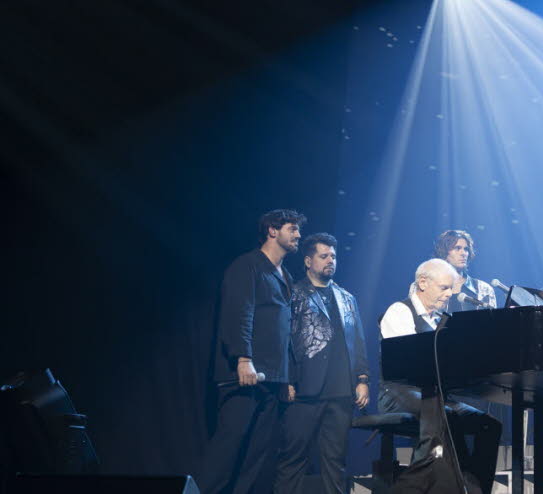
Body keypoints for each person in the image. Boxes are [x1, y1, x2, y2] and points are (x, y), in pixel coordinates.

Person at [199, 209, 305, 494]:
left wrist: (287, 377)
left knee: (255, 455)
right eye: (292, 229)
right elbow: (239, 314)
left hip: (272, 378)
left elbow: (285, 330)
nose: (298, 235)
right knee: (229, 447)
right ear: (272, 230)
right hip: (244, 375)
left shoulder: (285, 275)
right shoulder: (247, 265)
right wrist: (243, 358)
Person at [379, 259, 502, 494]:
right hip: (398, 393)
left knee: (489, 426)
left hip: (435, 396)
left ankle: (473, 488)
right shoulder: (400, 311)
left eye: (450, 289)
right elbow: (405, 364)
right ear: (423, 283)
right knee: (446, 417)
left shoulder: (440, 319)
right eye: (444, 288)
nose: (449, 294)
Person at [275, 233, 369, 493]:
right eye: (324, 256)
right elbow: (283, 340)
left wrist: (362, 379)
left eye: (333, 256)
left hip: (340, 392)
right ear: (308, 261)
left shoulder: (346, 298)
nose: (330, 261)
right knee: (293, 459)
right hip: (304, 390)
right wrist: (286, 379)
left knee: (336, 462)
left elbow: (358, 341)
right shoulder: (293, 293)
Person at [434, 230, 500, 313]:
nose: (463, 253)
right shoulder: (431, 287)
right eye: (457, 248)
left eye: (466, 249)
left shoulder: (483, 289)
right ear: (444, 252)